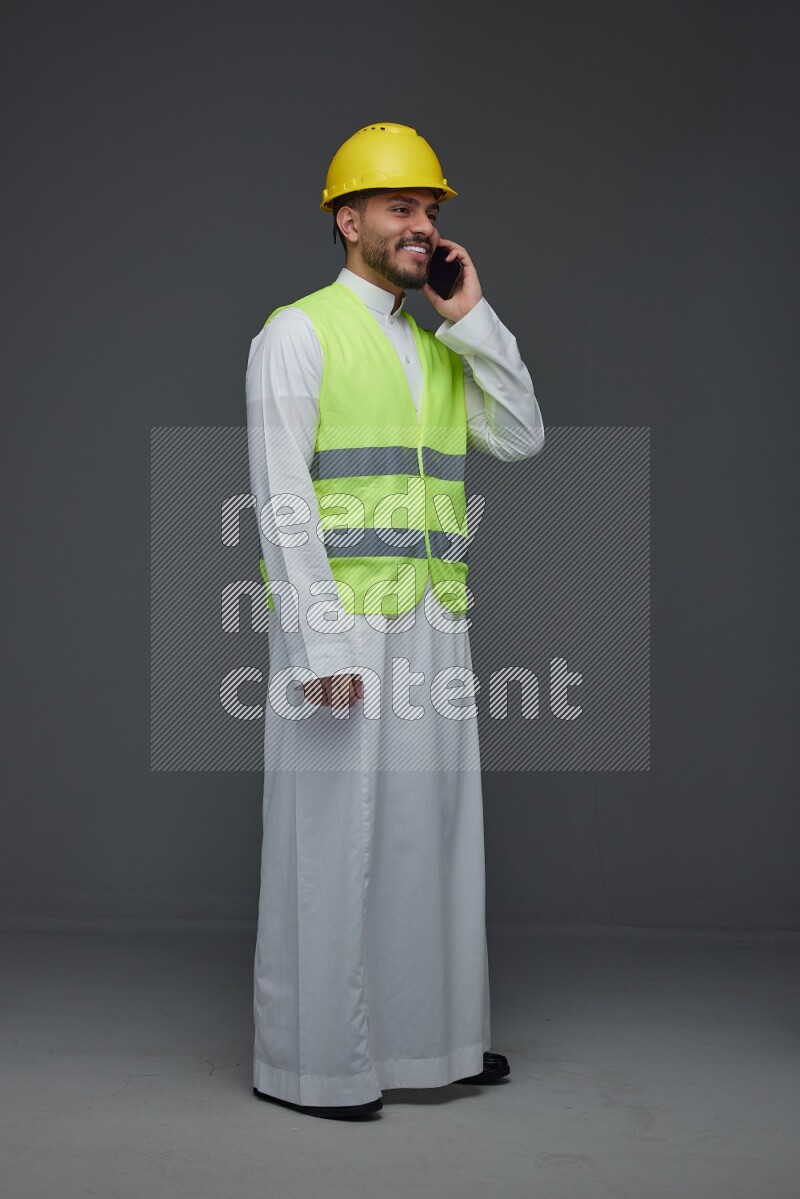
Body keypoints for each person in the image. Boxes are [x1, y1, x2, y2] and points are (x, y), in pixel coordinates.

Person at [245, 122, 544, 1120]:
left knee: (430, 836)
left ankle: (431, 1043)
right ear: (349, 221)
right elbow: (282, 499)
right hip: (343, 629)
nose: (422, 225)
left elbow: (520, 435)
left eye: (431, 210)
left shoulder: (437, 345)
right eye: (400, 207)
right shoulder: (299, 332)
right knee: (333, 841)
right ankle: (315, 1065)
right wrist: (317, 646)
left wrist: (472, 317)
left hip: (432, 623)